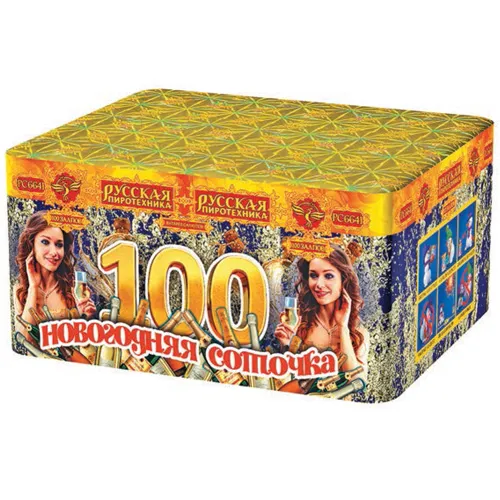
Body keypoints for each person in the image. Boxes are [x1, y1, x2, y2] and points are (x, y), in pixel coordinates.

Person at [274, 245, 369, 378]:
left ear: (343, 280)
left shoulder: (358, 333)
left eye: (328, 276)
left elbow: (357, 381)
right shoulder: (298, 324)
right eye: (313, 275)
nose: (319, 284)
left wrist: (343, 327)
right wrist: (286, 346)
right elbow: (289, 380)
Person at [14, 212, 96, 344]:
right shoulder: (20, 289)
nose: (54, 253)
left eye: (59, 245)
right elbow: (23, 341)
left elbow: (84, 343)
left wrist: (87, 317)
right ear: (31, 245)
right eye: (45, 242)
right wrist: (34, 287)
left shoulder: (73, 289)